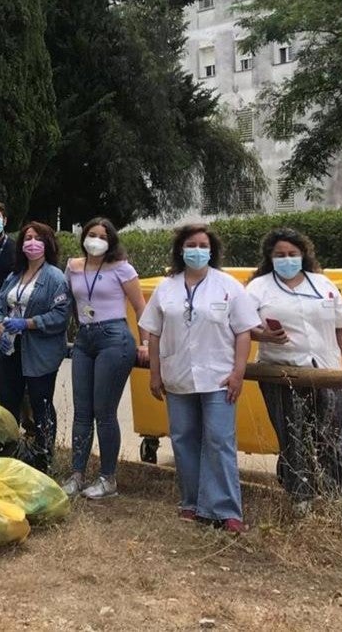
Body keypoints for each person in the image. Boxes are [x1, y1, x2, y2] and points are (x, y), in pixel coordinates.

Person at [139, 224, 259, 534]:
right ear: (181, 250)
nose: (197, 250)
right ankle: (191, 503)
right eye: (191, 244)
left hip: (220, 377)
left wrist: (238, 373)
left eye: (203, 245)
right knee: (183, 440)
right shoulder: (167, 287)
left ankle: (226, 510)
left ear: (212, 250)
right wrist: (155, 373)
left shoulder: (229, 286)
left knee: (219, 441)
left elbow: (244, 332)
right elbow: (153, 333)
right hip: (177, 376)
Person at [246, 228, 342, 532]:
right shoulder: (258, 288)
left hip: (326, 373)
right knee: (292, 436)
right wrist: (263, 334)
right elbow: (240, 327)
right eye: (280, 255)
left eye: (292, 254)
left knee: (333, 438)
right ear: (270, 258)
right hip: (281, 372)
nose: (287, 259)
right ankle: (301, 499)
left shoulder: (322, 284)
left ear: (303, 254)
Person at [62, 218, 148, 500]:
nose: (96, 239)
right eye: (91, 234)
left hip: (114, 336)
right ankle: (77, 474)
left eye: (102, 235)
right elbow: (70, 304)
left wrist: (145, 342)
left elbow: (140, 307)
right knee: (82, 410)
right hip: (85, 337)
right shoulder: (73, 266)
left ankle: (107, 478)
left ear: (110, 241)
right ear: (84, 237)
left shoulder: (122, 268)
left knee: (104, 411)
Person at [0, 221, 69, 461]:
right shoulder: (14, 276)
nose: (32, 243)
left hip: (40, 351)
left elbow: (61, 315)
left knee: (40, 402)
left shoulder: (55, 278)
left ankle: (44, 455)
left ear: (48, 244)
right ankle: (10, 454)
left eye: (38, 238)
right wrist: (2, 329)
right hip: (10, 349)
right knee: (8, 402)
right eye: (27, 238)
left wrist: (29, 323)